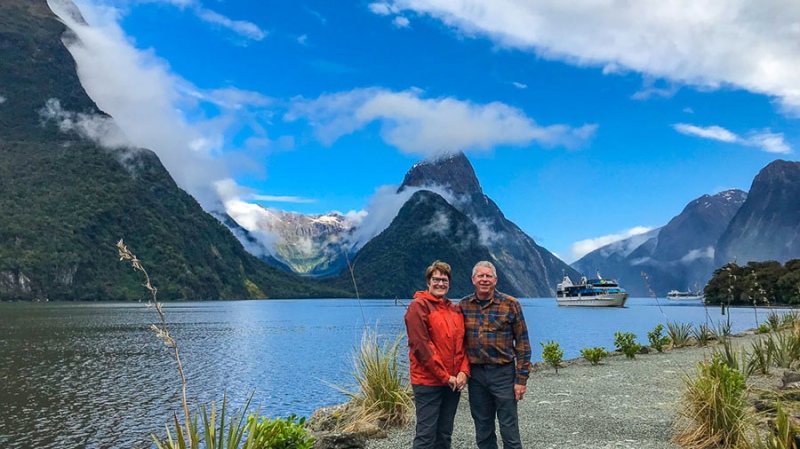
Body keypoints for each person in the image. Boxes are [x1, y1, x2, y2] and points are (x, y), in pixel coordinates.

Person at [460, 261, 532, 449]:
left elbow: (523, 342)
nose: (484, 279)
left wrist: (521, 379)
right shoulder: (464, 305)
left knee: (509, 428)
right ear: (473, 280)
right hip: (476, 376)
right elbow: (458, 342)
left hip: (503, 374)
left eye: (488, 276)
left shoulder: (510, 304)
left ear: (495, 280)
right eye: (480, 276)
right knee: (482, 428)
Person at [405, 260, 470, 449]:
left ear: (449, 283)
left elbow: (464, 344)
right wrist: (444, 376)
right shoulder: (418, 307)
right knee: (426, 436)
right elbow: (421, 347)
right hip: (428, 382)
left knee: (444, 434)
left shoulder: (454, 309)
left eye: (444, 280)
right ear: (428, 281)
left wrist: (464, 372)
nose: (440, 283)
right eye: (436, 279)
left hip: (453, 383)